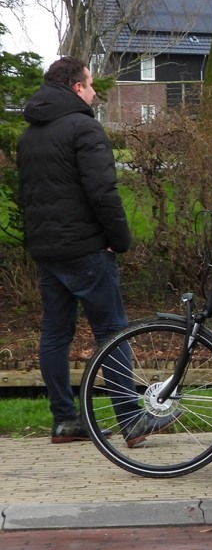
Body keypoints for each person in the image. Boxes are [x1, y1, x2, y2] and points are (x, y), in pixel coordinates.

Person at [16, 56, 141, 444]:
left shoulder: (30, 135)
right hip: (87, 248)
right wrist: (119, 239)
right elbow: (102, 191)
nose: (94, 92)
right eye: (90, 84)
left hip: (47, 249)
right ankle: (132, 420)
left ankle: (64, 421)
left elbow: (28, 194)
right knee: (111, 330)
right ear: (76, 87)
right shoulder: (84, 128)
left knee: (55, 332)